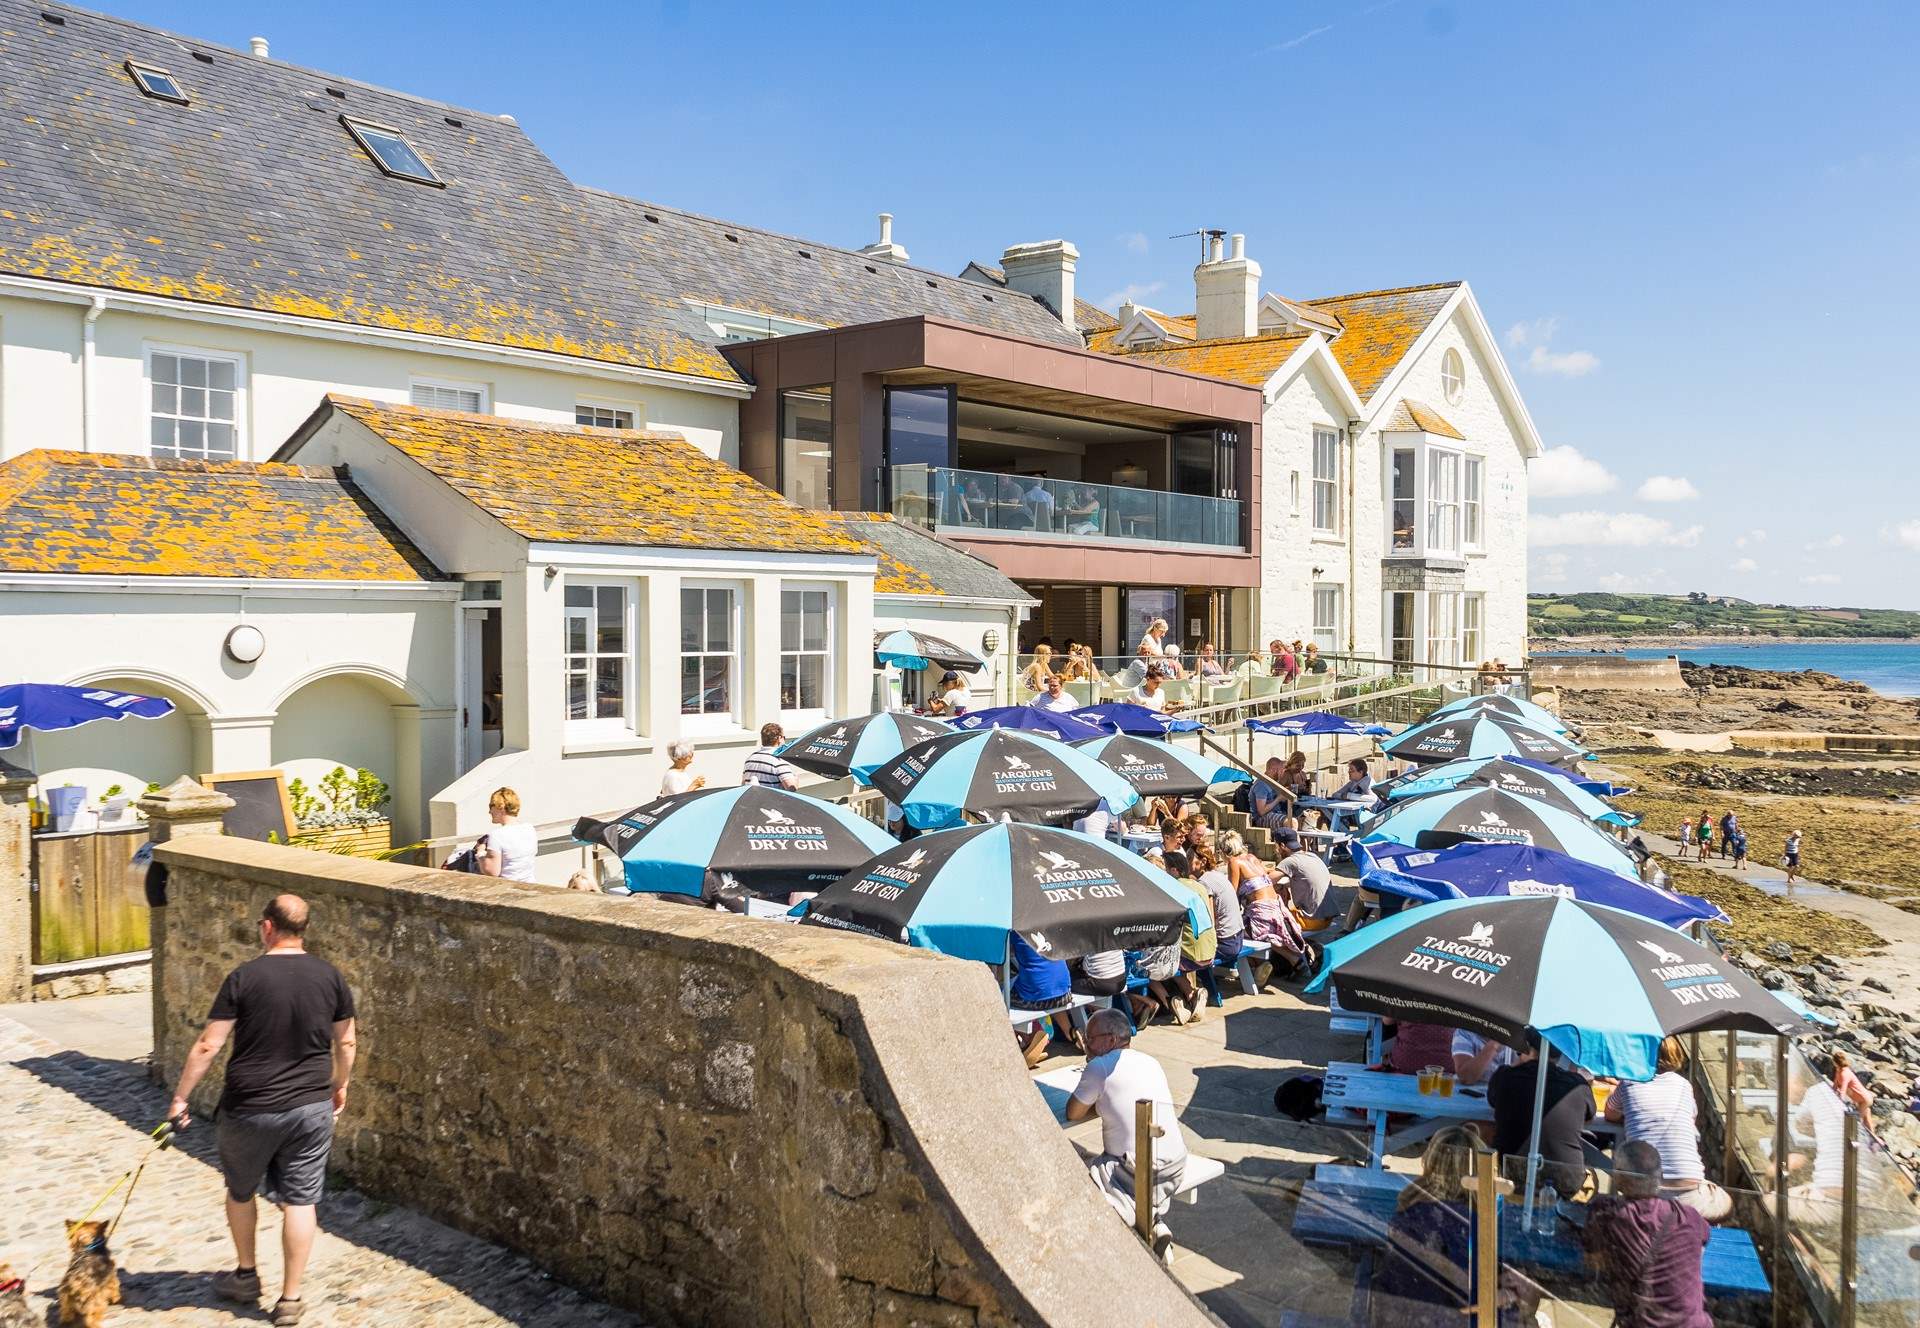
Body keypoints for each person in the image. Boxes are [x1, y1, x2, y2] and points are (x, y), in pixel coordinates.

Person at [168, 895, 355, 1326]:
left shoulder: (244, 977)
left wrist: (180, 1097)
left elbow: (208, 1044)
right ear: (302, 929)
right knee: (302, 1200)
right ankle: (290, 1300)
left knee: (240, 1189)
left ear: (268, 927)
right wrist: (340, 1084)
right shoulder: (330, 977)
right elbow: (346, 1041)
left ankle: (246, 1275)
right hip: (311, 1106)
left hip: (250, 1107)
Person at [1067, 1009, 1189, 1248]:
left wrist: (1097, 1099)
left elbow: (1073, 1112)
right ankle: (1155, 1223)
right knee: (1114, 1166)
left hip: (1137, 1169)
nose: (1086, 1045)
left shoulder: (1099, 1068)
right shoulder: (1150, 1061)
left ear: (1111, 1040)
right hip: (1175, 1165)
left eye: (1090, 1038)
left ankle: (1135, 1230)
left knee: (1079, 1166)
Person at [1583, 1139, 1713, 1328]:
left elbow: (1592, 1254)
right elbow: (1704, 1235)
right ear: (1660, 1177)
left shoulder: (1607, 1213)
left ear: (1618, 1179)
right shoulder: (1688, 1216)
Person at [1605, 1036, 1733, 1219]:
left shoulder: (1629, 1082)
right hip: (1689, 1191)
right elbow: (1691, 1118)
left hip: (1643, 1191)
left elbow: (1610, 1114)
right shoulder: (1684, 1085)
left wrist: (1631, 1112)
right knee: (1726, 1202)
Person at [1369, 1126, 1486, 1326]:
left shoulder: (1410, 1205)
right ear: (1477, 1169)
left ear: (1430, 1161)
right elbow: (1466, 1292)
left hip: (1396, 1315)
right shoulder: (1474, 1222)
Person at [1486, 1042, 1594, 1199]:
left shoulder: (1505, 1077)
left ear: (1527, 1047)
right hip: (1565, 1185)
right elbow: (1589, 1117)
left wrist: (1522, 1060)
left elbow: (1493, 1101)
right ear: (1560, 1054)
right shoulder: (1577, 1085)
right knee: (1593, 1174)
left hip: (1508, 1177)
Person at [1224, 832, 1310, 982]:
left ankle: (1284, 962)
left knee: (1243, 934)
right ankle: (1261, 965)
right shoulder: (1252, 858)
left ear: (1225, 851)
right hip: (1275, 905)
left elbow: (1232, 893)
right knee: (1262, 933)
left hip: (1261, 910)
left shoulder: (1234, 862)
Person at [1155, 850, 1213, 1025]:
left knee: (1155, 964)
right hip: (1210, 949)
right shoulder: (1199, 886)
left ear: (1173, 871)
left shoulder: (1173, 888)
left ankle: (1183, 996)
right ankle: (1190, 995)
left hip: (1191, 956)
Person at [1007, 930, 1076, 1066]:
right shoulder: (1050, 922)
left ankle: (1030, 1038)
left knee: (1002, 997)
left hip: (1037, 997)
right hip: (1065, 993)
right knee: (1045, 988)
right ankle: (1070, 1034)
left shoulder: (1015, 926)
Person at [1273, 828, 1339, 926]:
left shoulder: (1290, 861)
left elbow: (1265, 881)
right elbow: (1304, 881)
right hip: (1327, 919)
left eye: (1276, 846)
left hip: (1311, 921)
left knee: (1272, 909)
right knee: (1282, 886)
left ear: (1282, 846)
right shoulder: (1313, 856)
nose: (1276, 850)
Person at [477, 786, 537, 881]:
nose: (489, 812)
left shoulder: (497, 835)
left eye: (491, 806)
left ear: (500, 807)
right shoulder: (529, 828)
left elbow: (492, 872)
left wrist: (480, 853)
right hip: (530, 886)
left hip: (508, 890)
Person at [1387, 1021, 1462, 1078]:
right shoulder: (1457, 1000)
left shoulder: (1404, 1000)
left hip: (1405, 1067)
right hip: (1447, 1069)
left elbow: (1387, 1021)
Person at [741, 722, 799, 790]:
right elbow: (791, 788)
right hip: (771, 800)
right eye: (784, 737)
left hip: (752, 799)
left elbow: (743, 784)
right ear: (779, 738)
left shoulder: (750, 759)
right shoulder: (779, 761)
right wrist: (796, 779)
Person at [1830, 1049, 1875, 1130]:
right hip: (1859, 1100)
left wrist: (1838, 1106)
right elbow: (1835, 1086)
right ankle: (1875, 1138)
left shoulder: (1845, 1073)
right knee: (1867, 1119)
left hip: (1865, 1100)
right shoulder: (1838, 1071)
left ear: (1836, 1062)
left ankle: (1858, 1139)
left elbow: (1842, 1092)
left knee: (1856, 1121)